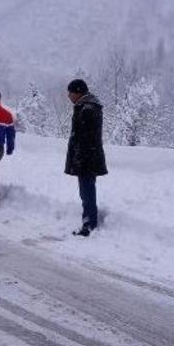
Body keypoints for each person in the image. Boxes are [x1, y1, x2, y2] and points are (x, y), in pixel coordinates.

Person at [64, 79, 107, 237]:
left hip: (87, 158)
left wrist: (79, 157)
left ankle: (89, 224)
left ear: (78, 92)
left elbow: (85, 137)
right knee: (86, 191)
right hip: (88, 156)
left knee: (87, 192)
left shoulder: (87, 109)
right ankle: (89, 221)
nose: (69, 96)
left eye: (70, 92)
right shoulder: (87, 106)